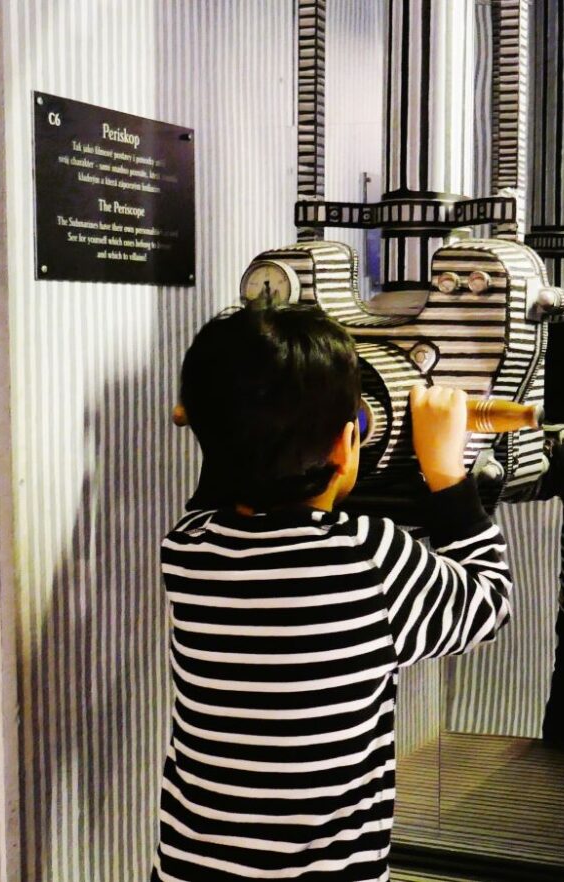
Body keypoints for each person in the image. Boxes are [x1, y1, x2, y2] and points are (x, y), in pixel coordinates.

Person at [152, 304, 512, 882]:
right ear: (349, 443)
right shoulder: (372, 557)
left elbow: (234, 497)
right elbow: (488, 602)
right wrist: (446, 474)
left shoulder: (189, 551)